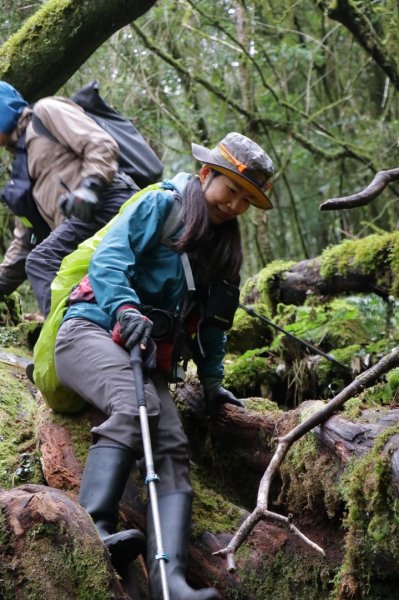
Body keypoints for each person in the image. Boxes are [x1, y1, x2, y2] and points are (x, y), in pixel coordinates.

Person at [53, 132, 274, 598]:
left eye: (245, 199)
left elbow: (214, 327)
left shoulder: (225, 253)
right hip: (89, 332)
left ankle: (169, 579)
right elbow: (111, 256)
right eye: (229, 189)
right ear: (205, 175)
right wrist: (125, 309)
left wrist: (213, 384)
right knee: (138, 408)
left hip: (145, 357)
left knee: (174, 450)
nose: (234, 204)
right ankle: (92, 529)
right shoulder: (160, 204)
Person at [0, 81, 139, 316]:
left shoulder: (46, 111)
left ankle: (65, 340)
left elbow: (99, 142)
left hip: (108, 199)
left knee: (42, 261)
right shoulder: (20, 168)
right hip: (80, 225)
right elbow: (25, 241)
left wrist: (90, 186)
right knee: (47, 262)